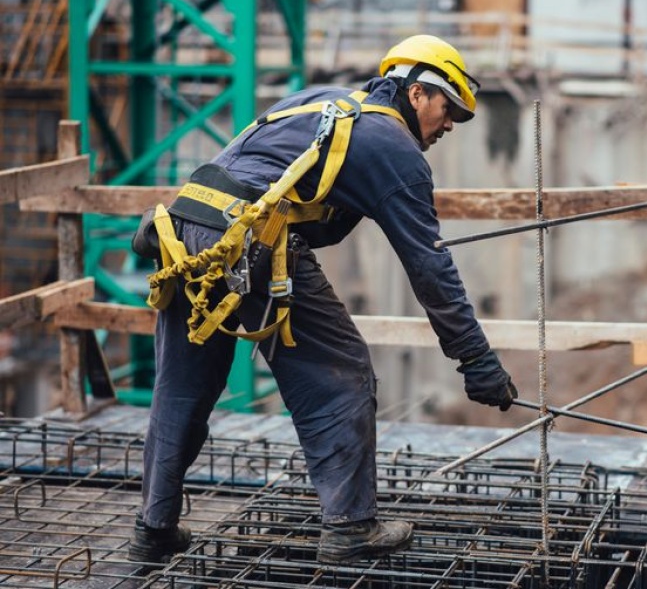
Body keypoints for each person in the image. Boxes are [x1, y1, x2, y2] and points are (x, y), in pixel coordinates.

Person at [127, 35, 518, 566]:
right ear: (417, 93)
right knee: (342, 373)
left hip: (184, 231)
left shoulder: (322, 102)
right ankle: (350, 526)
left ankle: (153, 529)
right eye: (448, 109)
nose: (449, 125)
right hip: (248, 239)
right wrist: (476, 358)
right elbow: (431, 268)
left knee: (181, 386)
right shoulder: (394, 147)